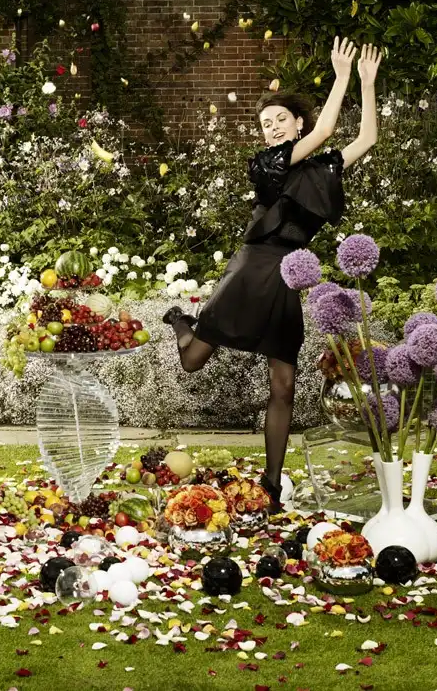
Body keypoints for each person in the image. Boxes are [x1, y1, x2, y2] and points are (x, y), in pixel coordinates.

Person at [163, 39, 382, 510]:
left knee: (283, 385)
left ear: (297, 122)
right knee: (193, 360)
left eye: (281, 118)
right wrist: (341, 75)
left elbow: (366, 139)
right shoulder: (266, 164)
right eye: (266, 123)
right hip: (252, 268)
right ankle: (182, 323)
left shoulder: (321, 170)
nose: (273, 127)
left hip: (287, 275)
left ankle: (272, 483)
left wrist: (366, 82)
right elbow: (326, 129)